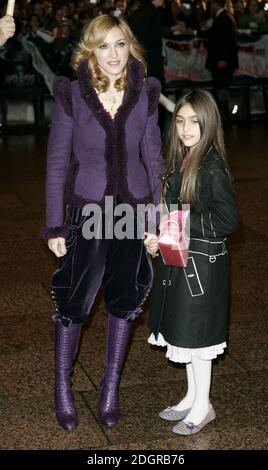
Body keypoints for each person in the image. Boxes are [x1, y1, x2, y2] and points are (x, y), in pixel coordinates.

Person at [41, 14, 163, 431]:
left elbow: (154, 159)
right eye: (104, 45)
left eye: (121, 44)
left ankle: (110, 387)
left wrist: (155, 218)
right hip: (88, 209)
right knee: (75, 301)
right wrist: (55, 225)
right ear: (90, 49)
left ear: (131, 47)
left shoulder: (145, 93)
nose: (114, 54)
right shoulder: (72, 94)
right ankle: (63, 386)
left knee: (125, 301)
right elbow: (57, 163)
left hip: (131, 209)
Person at [145, 89, 239, 435]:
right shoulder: (184, 159)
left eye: (195, 122)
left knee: (199, 340)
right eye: (181, 121)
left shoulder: (212, 166)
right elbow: (175, 216)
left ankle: (204, 404)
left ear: (209, 123)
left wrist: (178, 219)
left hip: (203, 266)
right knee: (185, 334)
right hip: (183, 259)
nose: (186, 129)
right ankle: (191, 395)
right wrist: (164, 233)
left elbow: (228, 220)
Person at [205, 0, 238, 122]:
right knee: (220, 89)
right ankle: (221, 117)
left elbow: (227, 41)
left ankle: (222, 118)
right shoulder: (223, 18)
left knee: (221, 89)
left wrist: (223, 58)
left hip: (222, 62)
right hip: (221, 61)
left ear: (215, 4)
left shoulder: (223, 19)